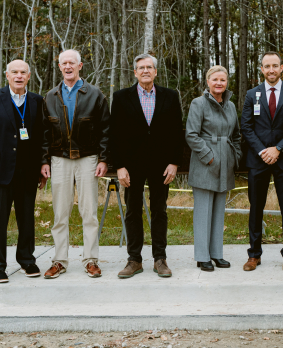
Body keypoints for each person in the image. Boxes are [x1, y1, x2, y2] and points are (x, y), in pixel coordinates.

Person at [111, 53, 183, 279]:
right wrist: (120, 166)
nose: (145, 71)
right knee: (132, 211)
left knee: (159, 211)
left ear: (155, 72)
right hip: (131, 165)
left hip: (161, 165)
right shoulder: (121, 97)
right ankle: (134, 260)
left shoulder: (170, 97)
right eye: (141, 67)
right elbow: (115, 135)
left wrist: (174, 162)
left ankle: (160, 259)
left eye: (149, 67)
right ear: (135, 72)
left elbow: (176, 132)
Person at [40, 49, 111, 279]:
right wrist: (44, 160)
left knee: (88, 212)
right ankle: (59, 261)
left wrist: (103, 159)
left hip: (88, 158)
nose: (68, 66)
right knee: (60, 213)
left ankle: (91, 260)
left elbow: (105, 130)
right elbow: (44, 133)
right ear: (59, 67)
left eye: (72, 62)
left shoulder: (95, 94)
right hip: (59, 159)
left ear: (80, 66)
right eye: (64, 63)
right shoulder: (50, 96)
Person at [0, 59, 46, 283]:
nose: (18, 76)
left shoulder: (36, 101)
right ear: (7, 75)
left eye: (23, 72)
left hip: (27, 172)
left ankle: (27, 259)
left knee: (26, 219)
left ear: (29, 76)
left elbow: (42, 137)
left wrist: (43, 165)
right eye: (14, 72)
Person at [240, 51, 283, 273]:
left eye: (275, 65)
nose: (271, 70)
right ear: (261, 69)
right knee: (256, 208)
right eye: (267, 66)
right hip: (257, 161)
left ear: (282, 68)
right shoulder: (252, 94)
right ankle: (254, 255)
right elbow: (246, 127)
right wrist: (262, 151)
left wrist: (277, 149)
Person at [185, 66, 242, 271]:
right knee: (203, 211)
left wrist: (235, 156)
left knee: (219, 211)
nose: (219, 83)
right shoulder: (198, 103)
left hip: (225, 162)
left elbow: (236, 135)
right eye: (215, 79)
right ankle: (202, 256)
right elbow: (191, 134)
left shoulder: (231, 106)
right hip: (205, 163)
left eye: (223, 80)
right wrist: (208, 156)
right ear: (207, 81)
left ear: (227, 83)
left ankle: (217, 254)